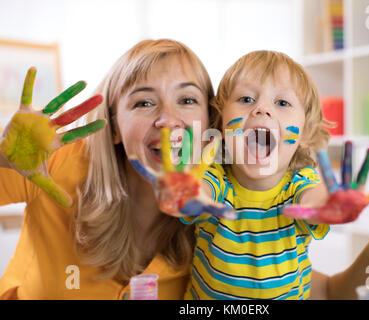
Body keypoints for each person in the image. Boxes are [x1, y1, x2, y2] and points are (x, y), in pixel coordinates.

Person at [163, 50, 369, 300]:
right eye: (246, 99)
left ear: (305, 133)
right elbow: (200, 195)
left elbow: (312, 202)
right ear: (221, 123)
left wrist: (331, 204)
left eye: (282, 102)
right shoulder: (218, 180)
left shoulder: (298, 185)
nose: (262, 109)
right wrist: (185, 191)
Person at [0, 39, 218, 299]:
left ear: (208, 123)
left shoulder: (221, 208)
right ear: (114, 127)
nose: (168, 121)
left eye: (187, 99)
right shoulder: (53, 164)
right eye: (144, 103)